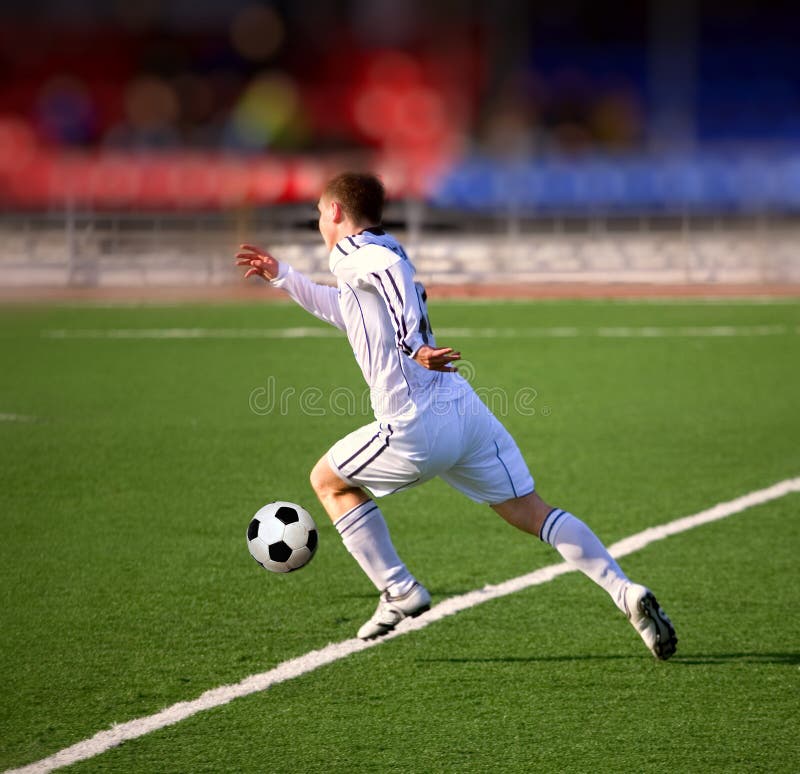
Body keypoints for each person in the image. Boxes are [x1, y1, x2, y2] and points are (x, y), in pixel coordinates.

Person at [236, 172, 677, 659]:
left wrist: (415, 345)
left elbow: (387, 276)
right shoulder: (381, 249)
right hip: (463, 411)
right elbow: (347, 310)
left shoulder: (360, 252)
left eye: (320, 213)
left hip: (415, 423)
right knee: (532, 511)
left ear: (337, 212)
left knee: (328, 481)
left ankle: (399, 590)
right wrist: (285, 277)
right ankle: (625, 592)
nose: (320, 223)